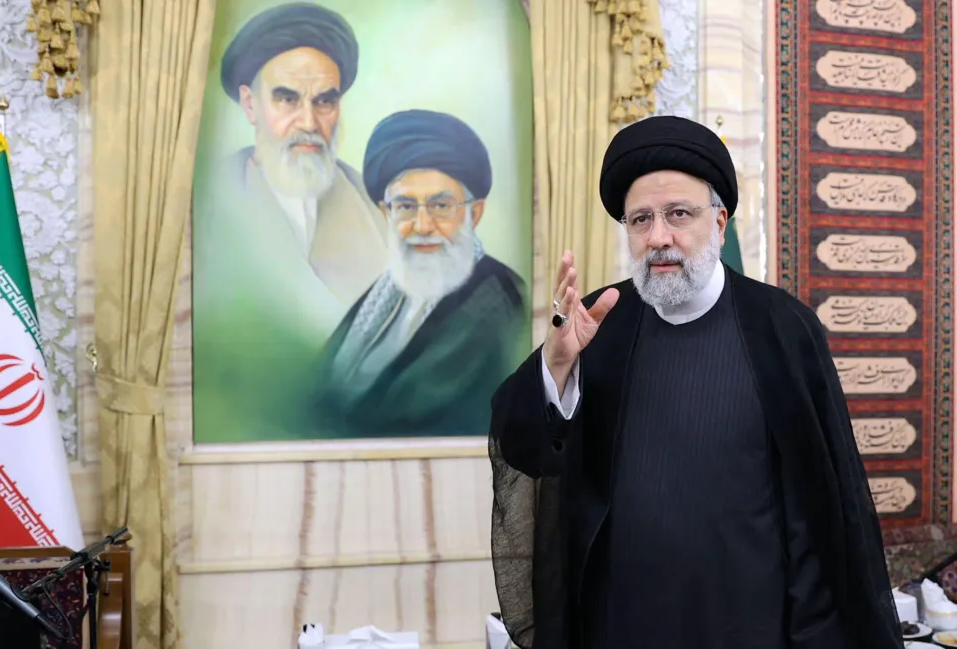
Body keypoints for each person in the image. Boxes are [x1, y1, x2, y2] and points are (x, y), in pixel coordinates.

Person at [488, 115, 901, 649]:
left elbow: (822, 506)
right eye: (641, 220)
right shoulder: (598, 323)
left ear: (720, 222)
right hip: (620, 625)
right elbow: (522, 448)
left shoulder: (783, 329)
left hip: (749, 626)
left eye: (679, 214)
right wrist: (556, 365)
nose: (659, 237)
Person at [314, 110, 528, 437]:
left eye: (441, 206)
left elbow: (420, 417)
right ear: (386, 213)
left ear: (474, 213)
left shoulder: (498, 300)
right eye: (406, 206)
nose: (423, 226)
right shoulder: (390, 288)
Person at [219, 2, 387, 307]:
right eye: (287, 99)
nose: (309, 123)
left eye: (324, 102)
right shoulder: (211, 200)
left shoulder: (378, 210)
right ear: (250, 104)